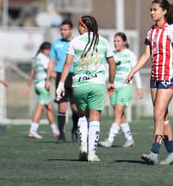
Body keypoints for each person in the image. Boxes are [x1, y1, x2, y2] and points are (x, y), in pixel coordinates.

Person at [126, 0, 173, 165]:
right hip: (155, 78)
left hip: (169, 77)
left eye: (155, 9)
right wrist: (132, 71)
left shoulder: (171, 30)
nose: (151, 12)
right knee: (163, 117)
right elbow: (146, 55)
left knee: (157, 114)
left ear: (164, 11)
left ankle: (154, 152)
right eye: (150, 9)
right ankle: (172, 154)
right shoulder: (151, 31)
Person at [56, 15, 116, 162]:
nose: (78, 27)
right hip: (97, 85)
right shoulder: (103, 41)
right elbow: (112, 64)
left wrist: (60, 84)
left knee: (82, 116)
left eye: (79, 25)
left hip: (79, 85)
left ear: (83, 26)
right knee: (95, 119)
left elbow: (67, 64)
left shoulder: (75, 42)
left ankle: (83, 146)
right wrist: (111, 82)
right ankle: (92, 153)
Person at [99, 32, 143, 148]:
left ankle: (110, 139)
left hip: (125, 87)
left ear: (125, 42)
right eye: (114, 41)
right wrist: (102, 83)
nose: (115, 43)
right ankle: (129, 139)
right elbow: (107, 71)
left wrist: (139, 87)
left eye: (118, 41)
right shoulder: (111, 55)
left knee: (118, 112)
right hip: (113, 87)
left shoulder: (130, 55)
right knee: (120, 114)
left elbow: (135, 71)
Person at [46, 19, 79, 143]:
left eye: (65, 29)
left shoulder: (77, 42)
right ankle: (61, 135)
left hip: (75, 76)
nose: (62, 32)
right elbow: (51, 62)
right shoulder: (56, 44)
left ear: (71, 30)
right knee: (62, 106)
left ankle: (75, 129)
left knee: (76, 108)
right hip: (61, 77)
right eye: (61, 29)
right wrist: (47, 79)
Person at [23, 42, 60, 139]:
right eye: (48, 50)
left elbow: (32, 73)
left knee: (50, 108)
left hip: (39, 86)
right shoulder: (43, 59)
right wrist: (63, 78)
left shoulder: (36, 58)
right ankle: (32, 130)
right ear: (43, 49)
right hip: (43, 86)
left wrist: (28, 86)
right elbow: (50, 73)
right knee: (40, 108)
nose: (49, 52)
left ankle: (55, 130)